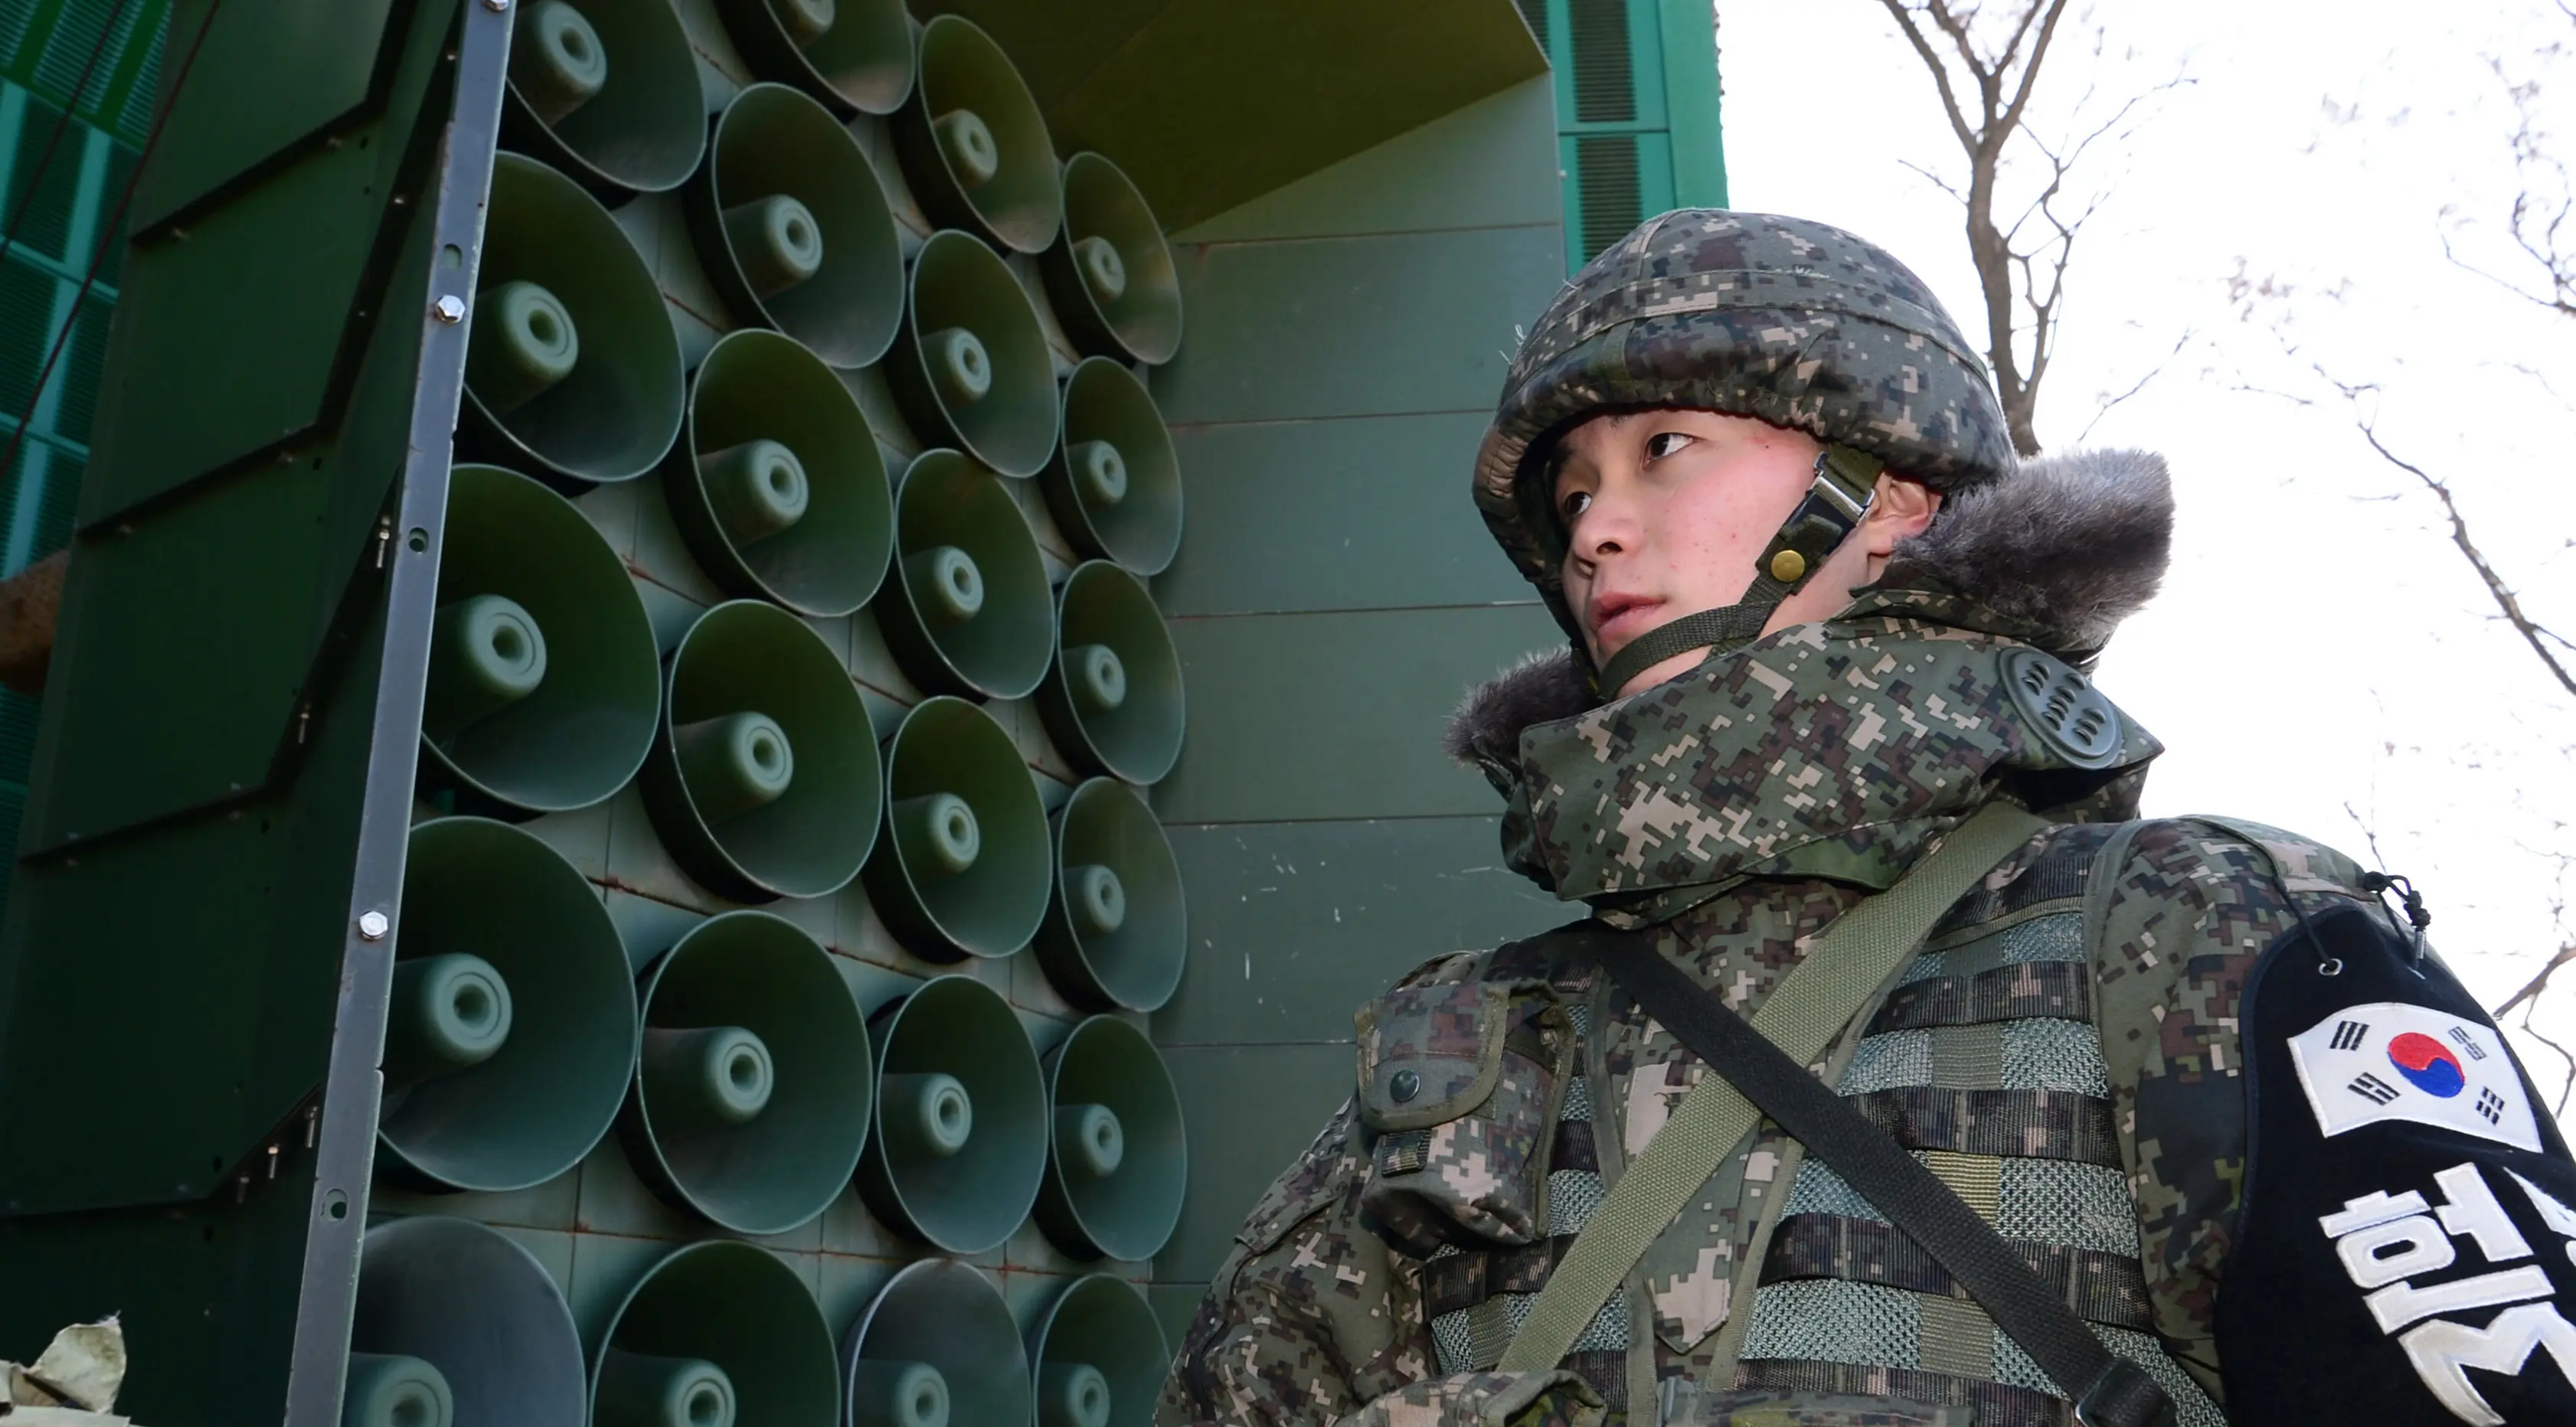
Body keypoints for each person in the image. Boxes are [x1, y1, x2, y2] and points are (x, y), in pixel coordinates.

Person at [1153, 211, 2576, 1427]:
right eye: (1572, 489)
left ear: (1885, 497)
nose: (1593, 528)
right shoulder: (1455, 1047)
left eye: (1665, 448)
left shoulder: (2198, 928)